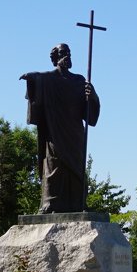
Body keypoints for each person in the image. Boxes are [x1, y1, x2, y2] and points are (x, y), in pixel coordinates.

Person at [20, 43, 101, 213]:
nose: (67, 56)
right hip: (55, 131)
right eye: (63, 53)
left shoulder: (79, 81)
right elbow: (39, 77)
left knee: (77, 168)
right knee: (54, 165)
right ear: (55, 57)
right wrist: (31, 77)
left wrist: (92, 95)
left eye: (69, 53)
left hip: (75, 132)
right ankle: (50, 203)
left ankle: (79, 204)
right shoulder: (50, 78)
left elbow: (90, 115)